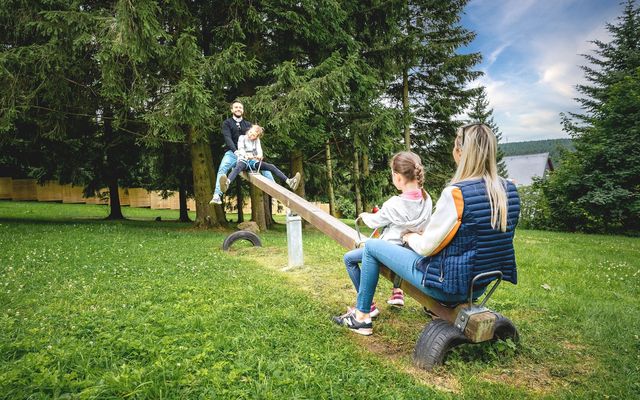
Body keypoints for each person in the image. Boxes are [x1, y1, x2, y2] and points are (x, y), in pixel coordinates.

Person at [333, 124, 520, 335]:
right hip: (479, 285)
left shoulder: (457, 194)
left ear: (460, 152)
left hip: (447, 286)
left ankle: (362, 317)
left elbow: (425, 248)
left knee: (373, 247)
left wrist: (410, 235)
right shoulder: (510, 190)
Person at [342, 151, 432, 318]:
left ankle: (368, 305)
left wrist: (364, 216)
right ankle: (396, 292)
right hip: (412, 252)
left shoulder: (394, 204)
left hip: (389, 253)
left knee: (349, 259)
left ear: (397, 177)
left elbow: (375, 221)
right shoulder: (427, 199)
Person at [210, 101, 274, 204]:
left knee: (264, 166)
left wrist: (257, 155)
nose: (238, 109)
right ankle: (217, 195)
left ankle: (274, 188)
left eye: (240, 107)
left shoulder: (248, 124)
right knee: (223, 168)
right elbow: (227, 138)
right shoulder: (227, 123)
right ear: (232, 110)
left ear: (243, 110)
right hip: (232, 153)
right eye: (236, 107)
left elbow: (255, 139)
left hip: (248, 155)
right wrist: (235, 151)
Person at [218, 125, 301, 194]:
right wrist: (246, 155)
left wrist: (259, 156)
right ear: (249, 130)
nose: (250, 135)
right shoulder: (242, 137)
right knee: (238, 167)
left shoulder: (257, 141)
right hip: (243, 160)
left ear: (256, 137)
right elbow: (241, 149)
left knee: (271, 166)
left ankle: (289, 182)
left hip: (253, 162)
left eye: (253, 135)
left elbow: (260, 151)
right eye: (250, 132)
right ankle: (227, 183)